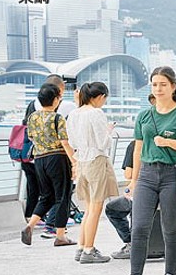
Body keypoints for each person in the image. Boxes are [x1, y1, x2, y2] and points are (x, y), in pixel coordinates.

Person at [114, 67, 176, 275]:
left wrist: (168, 143)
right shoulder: (144, 116)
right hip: (147, 175)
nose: (158, 89)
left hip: (173, 174)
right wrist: (134, 180)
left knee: (170, 229)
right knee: (139, 227)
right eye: (154, 84)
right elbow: (138, 148)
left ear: (173, 87)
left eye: (163, 84)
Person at [105, 140, 176, 258]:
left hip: (143, 193)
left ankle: (130, 242)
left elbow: (128, 174)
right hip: (171, 192)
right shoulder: (173, 143)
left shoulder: (135, 145)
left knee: (111, 209)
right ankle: (175, 243)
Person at [67, 82, 119, 264]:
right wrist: (109, 131)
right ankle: (89, 250)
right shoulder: (96, 113)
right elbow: (103, 142)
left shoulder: (74, 114)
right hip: (96, 161)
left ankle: (81, 247)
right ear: (99, 97)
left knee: (88, 208)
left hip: (81, 161)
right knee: (96, 209)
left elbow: (72, 141)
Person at [20, 83, 77, 247]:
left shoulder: (33, 117)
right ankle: (60, 236)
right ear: (56, 100)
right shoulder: (57, 118)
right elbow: (64, 142)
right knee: (62, 196)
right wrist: (74, 161)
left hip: (39, 160)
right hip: (57, 158)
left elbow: (31, 137)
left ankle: (30, 225)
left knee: (47, 196)